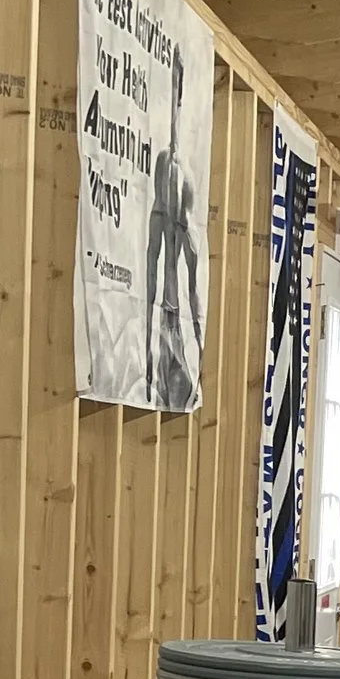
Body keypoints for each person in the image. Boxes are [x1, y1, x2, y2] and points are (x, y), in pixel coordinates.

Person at [142, 47, 203, 410]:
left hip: (173, 313)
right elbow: (154, 265)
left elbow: (189, 284)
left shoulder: (183, 225)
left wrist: (197, 337)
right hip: (168, 312)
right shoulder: (166, 179)